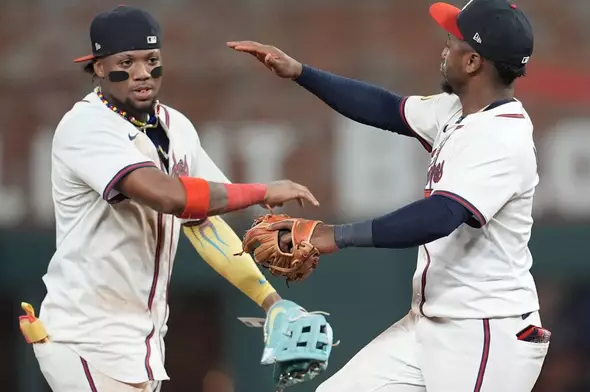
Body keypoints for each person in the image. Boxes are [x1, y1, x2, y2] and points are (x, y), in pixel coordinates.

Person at [227, 0, 550, 391]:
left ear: (473, 62)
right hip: (430, 323)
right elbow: (387, 109)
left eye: (454, 39)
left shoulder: (501, 137)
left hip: (484, 333)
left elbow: (440, 216)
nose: (446, 45)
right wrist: (300, 72)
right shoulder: (457, 111)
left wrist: (335, 235)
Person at [18, 5, 330, 392]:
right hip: (86, 338)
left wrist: (270, 302)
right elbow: (169, 197)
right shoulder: (85, 126)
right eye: (126, 61)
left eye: (151, 60)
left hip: (142, 344)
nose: (142, 72)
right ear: (98, 67)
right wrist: (262, 191)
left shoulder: (176, 127)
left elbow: (204, 223)